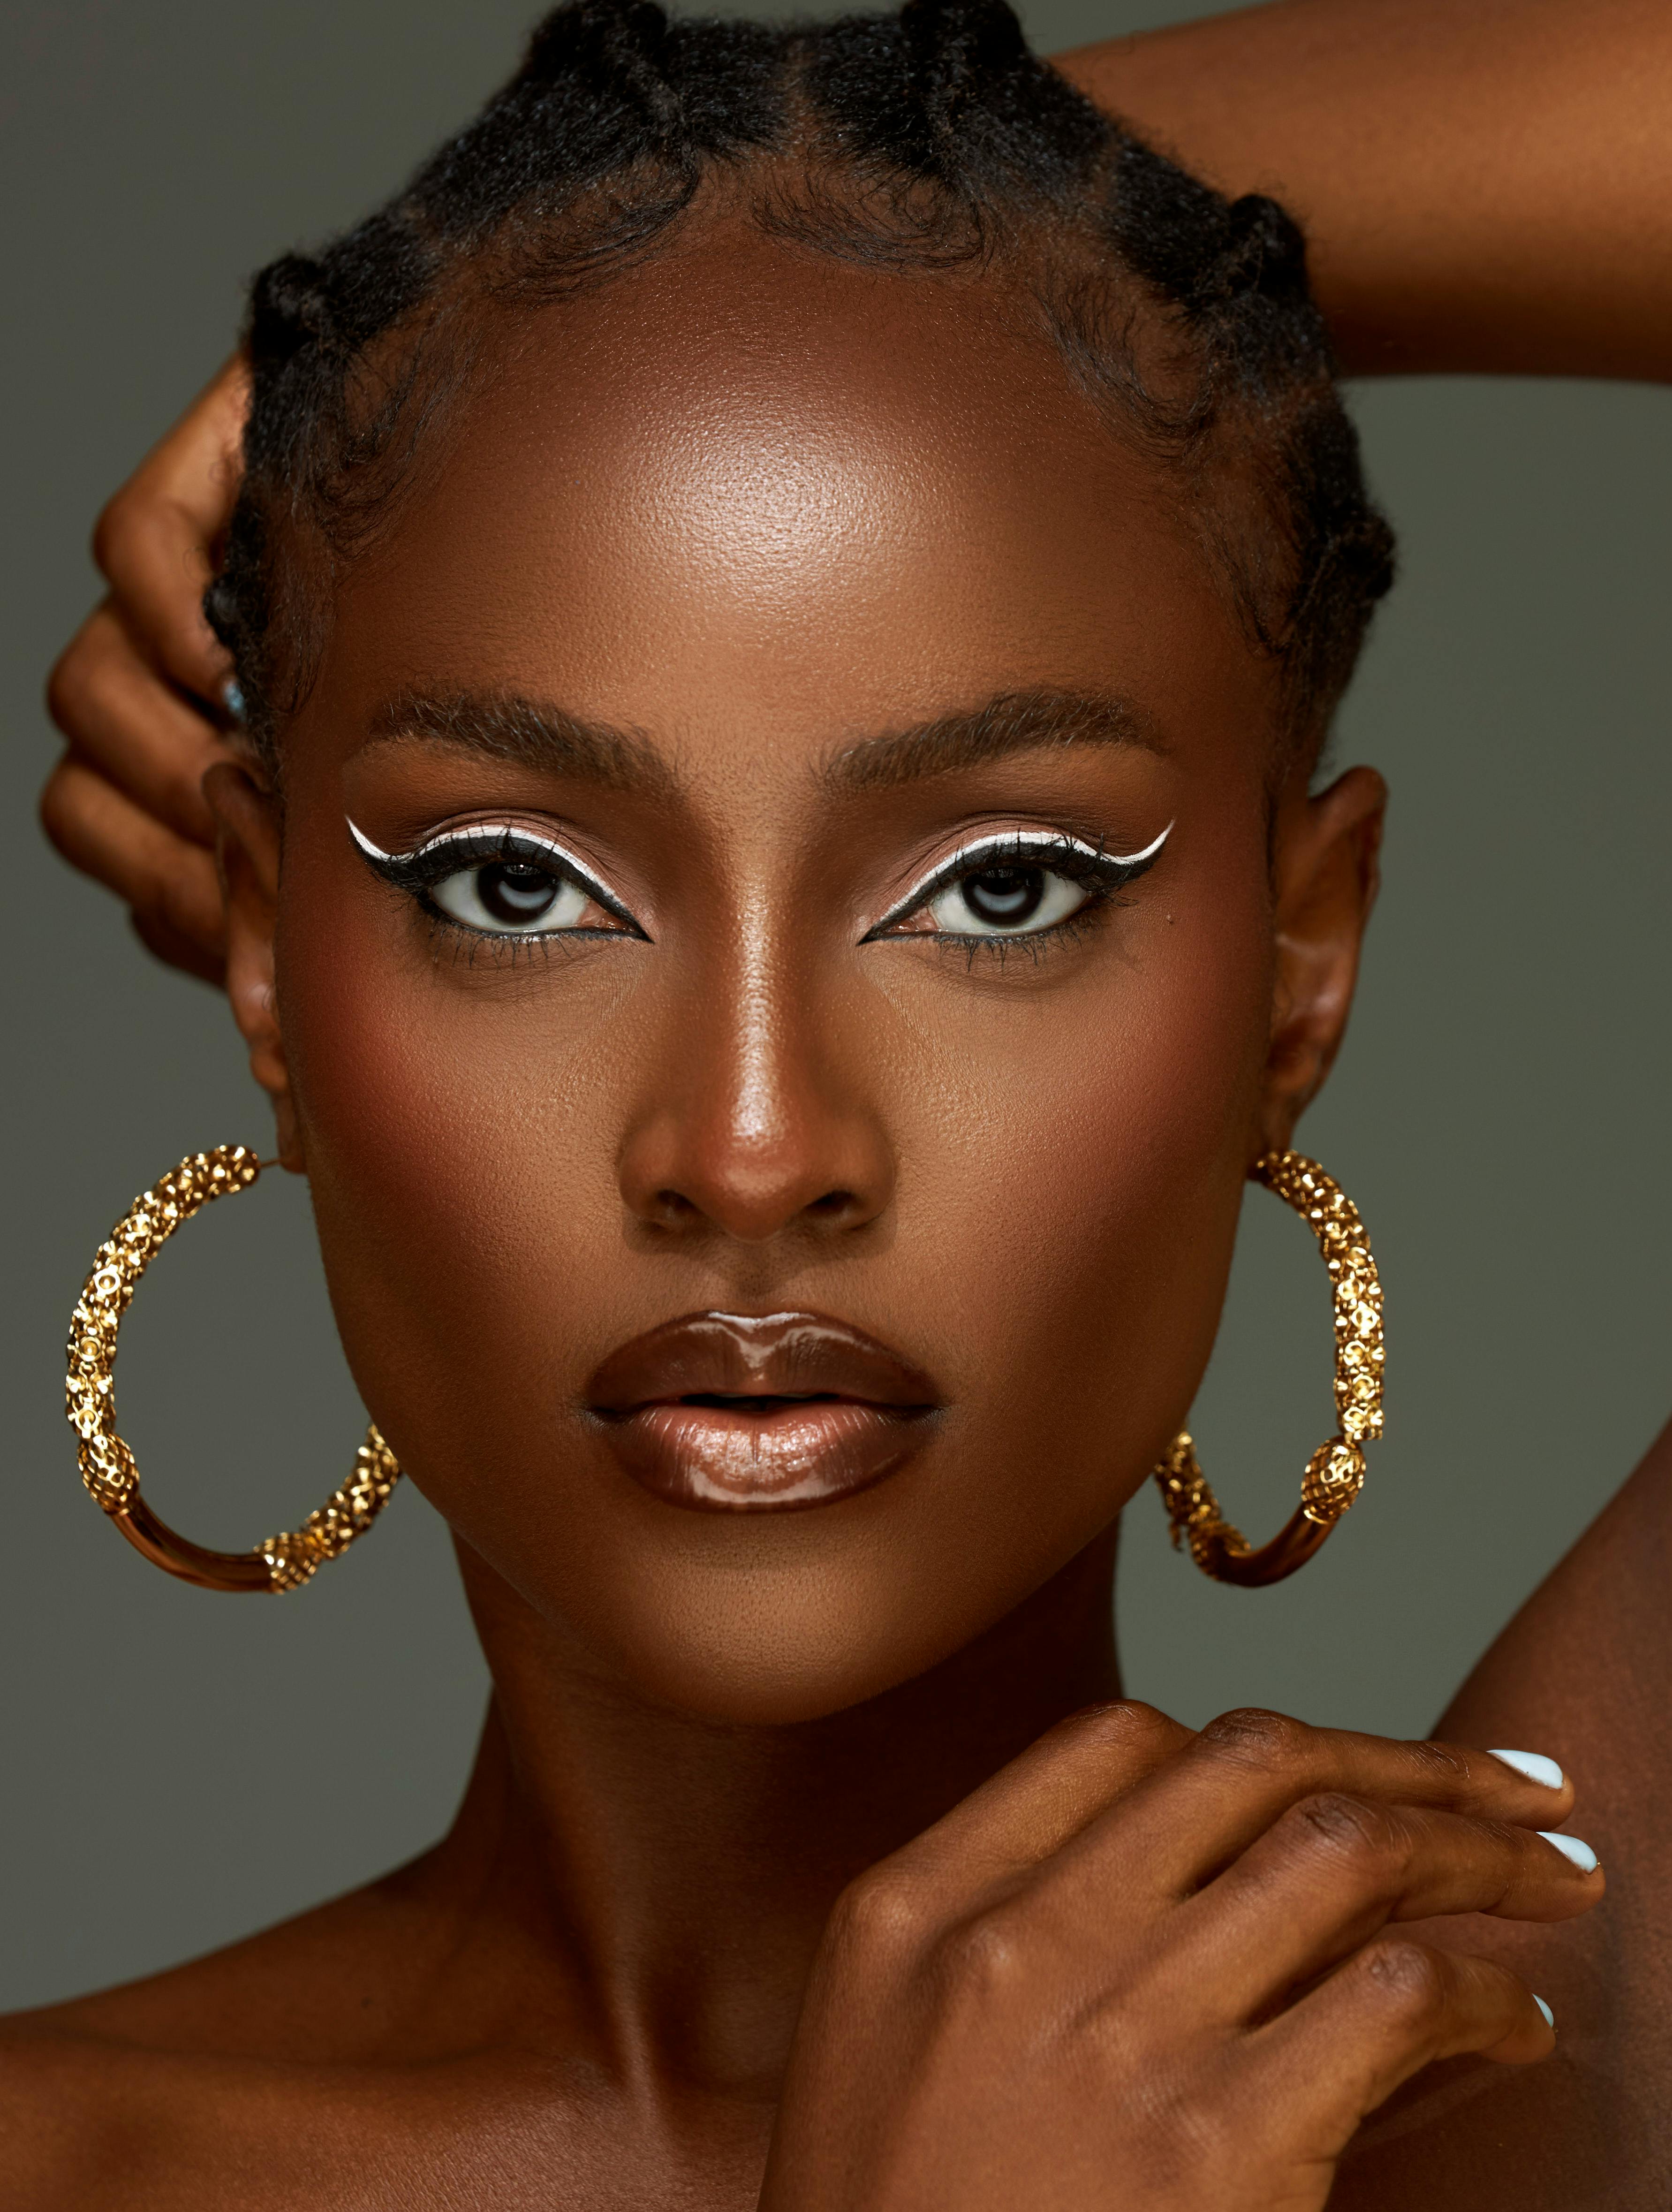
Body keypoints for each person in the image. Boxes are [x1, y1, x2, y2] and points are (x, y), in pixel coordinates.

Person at [20, 0, 1671, 2204]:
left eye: (1003, 888)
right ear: (265, 948)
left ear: (1300, 957)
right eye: (519, 882)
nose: (752, 1145)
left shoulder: (1550, 2040)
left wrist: (940, 211)